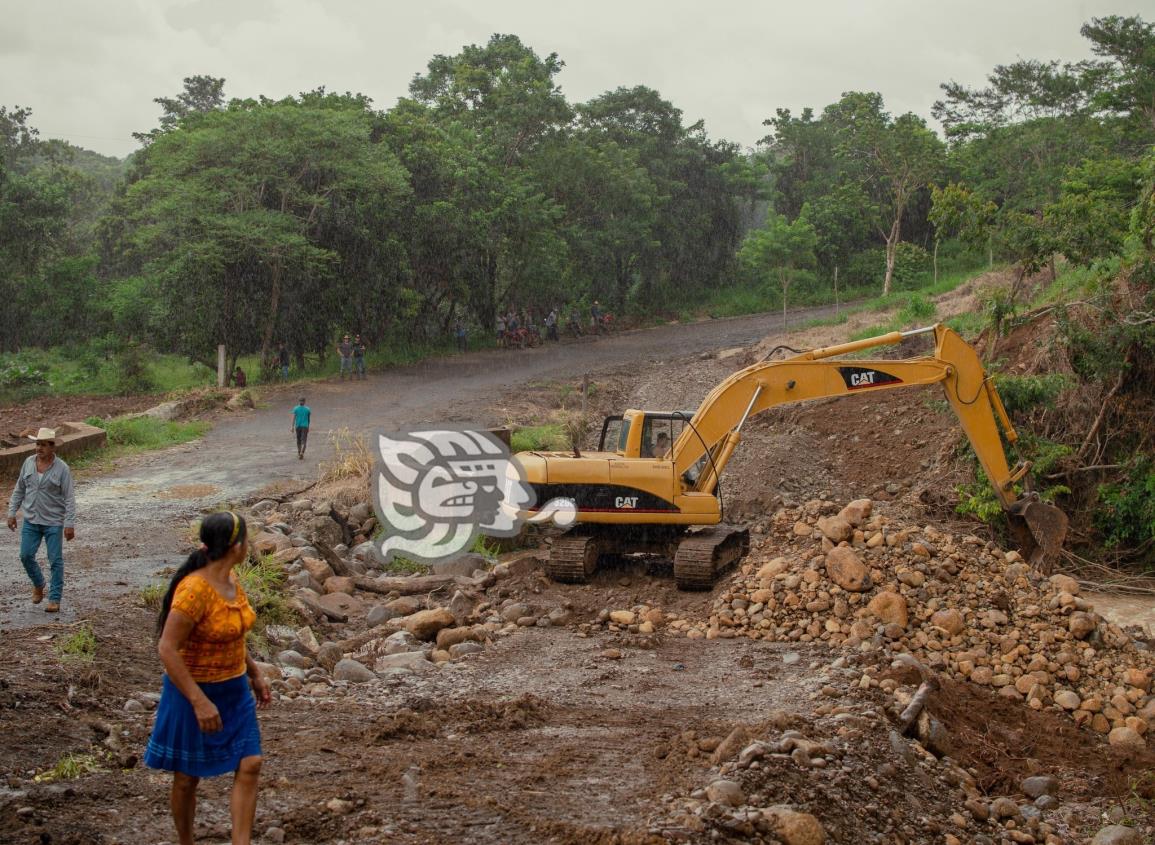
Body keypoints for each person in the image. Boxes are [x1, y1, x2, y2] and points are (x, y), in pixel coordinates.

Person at [144, 511, 271, 845]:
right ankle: (186, 840)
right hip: (191, 693)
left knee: (251, 763)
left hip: (234, 690)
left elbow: (233, 633)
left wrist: (255, 673)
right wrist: (199, 702)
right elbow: (167, 649)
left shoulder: (231, 581)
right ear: (236, 546)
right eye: (248, 539)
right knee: (187, 777)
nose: (250, 545)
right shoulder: (194, 590)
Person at [6, 427, 76, 613]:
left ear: (52, 447)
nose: (39, 448)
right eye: (38, 444)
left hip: (53, 521)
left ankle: (54, 598)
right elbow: (19, 489)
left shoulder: (62, 468)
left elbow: (69, 498)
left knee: (55, 560)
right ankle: (38, 583)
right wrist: (12, 512)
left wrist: (69, 524)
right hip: (31, 520)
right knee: (25, 555)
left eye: (44, 445)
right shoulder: (28, 463)